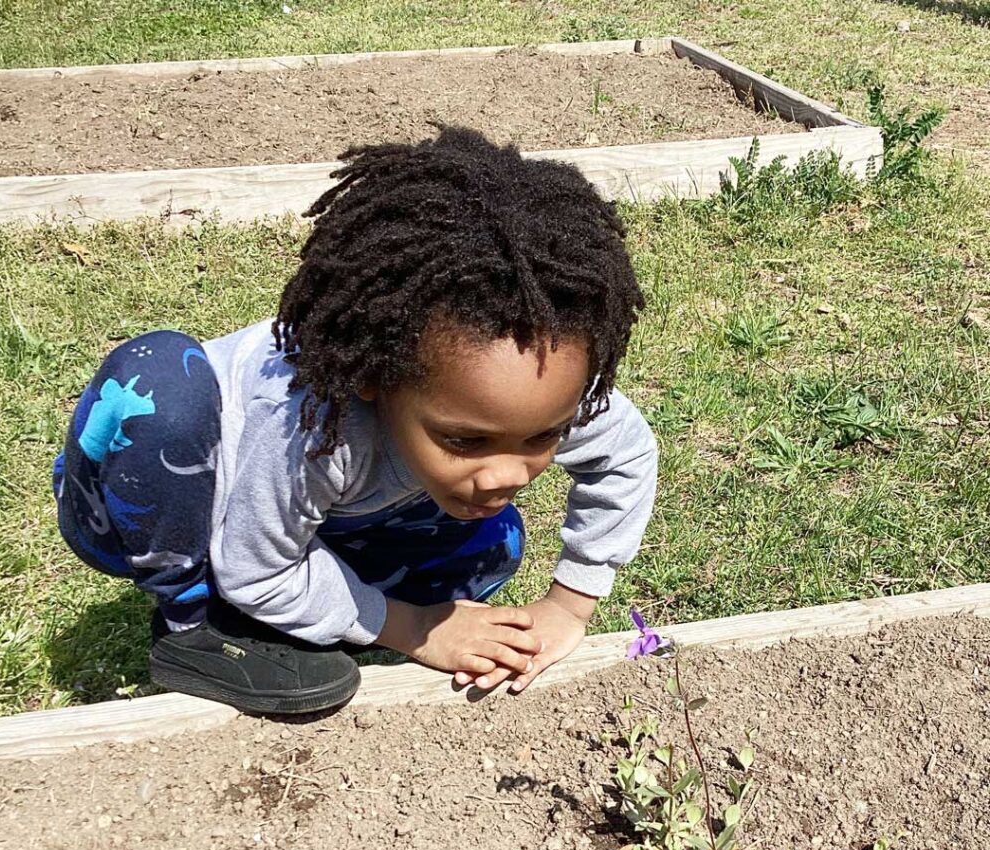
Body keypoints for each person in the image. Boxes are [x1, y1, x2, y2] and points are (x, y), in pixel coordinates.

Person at [53, 127, 658, 716]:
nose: (505, 474)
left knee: (490, 546)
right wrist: (416, 628)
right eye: (464, 441)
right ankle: (195, 627)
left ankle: (289, 597)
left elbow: (624, 455)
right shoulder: (310, 426)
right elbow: (255, 568)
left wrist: (570, 606)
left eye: (541, 437)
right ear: (377, 377)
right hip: (159, 496)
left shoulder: (526, 393)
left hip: (316, 509)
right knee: (159, 385)